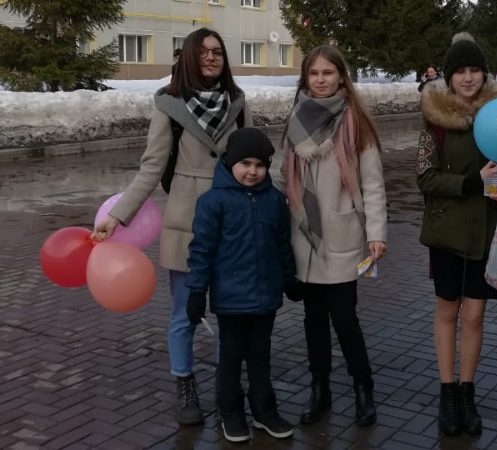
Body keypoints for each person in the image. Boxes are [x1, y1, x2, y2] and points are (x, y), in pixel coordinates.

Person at [92, 27, 252, 425]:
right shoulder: (169, 104)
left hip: (231, 221)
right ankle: (185, 384)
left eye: (217, 52)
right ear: (190, 57)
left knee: (231, 311)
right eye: (203, 52)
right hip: (187, 223)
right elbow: (152, 167)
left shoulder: (237, 102)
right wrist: (118, 216)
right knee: (184, 312)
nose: (211, 58)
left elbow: (252, 160)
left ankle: (227, 385)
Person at [277, 44, 387, 428]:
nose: (321, 80)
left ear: (341, 76)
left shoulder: (355, 121)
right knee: (313, 320)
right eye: (314, 73)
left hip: (342, 233)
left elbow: (372, 183)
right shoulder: (296, 118)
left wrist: (376, 232)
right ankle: (319, 387)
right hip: (305, 235)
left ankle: (363, 386)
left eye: (328, 72)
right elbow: (283, 174)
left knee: (344, 319)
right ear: (305, 78)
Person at [416, 32, 497, 436]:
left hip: (485, 231)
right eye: (460, 71)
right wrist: (473, 183)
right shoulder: (435, 119)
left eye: (475, 70)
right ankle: (447, 391)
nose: (468, 78)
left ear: (484, 74)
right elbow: (424, 178)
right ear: (449, 76)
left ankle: (467, 391)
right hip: (447, 231)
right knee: (448, 311)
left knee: (474, 314)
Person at [185, 128, 298, 443]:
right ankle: (231, 411)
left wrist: (289, 277)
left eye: (260, 165)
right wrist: (196, 290)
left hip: (266, 296)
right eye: (245, 163)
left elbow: (282, 244)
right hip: (231, 298)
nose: (252, 171)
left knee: (260, 354)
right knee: (231, 357)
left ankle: (264, 410)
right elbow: (202, 250)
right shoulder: (213, 202)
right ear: (229, 163)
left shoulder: (274, 200)